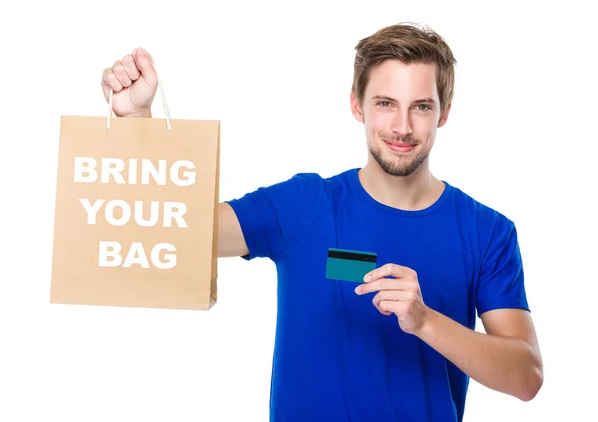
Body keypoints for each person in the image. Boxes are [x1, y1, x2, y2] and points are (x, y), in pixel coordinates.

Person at [101, 22, 543, 422]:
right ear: (357, 105)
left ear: (444, 113)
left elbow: (527, 378)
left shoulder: (488, 232)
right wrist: (134, 123)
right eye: (386, 103)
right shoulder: (303, 205)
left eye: (421, 107)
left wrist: (426, 321)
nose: (402, 126)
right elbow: (174, 230)